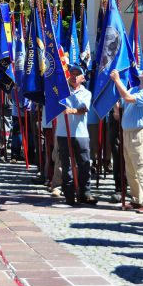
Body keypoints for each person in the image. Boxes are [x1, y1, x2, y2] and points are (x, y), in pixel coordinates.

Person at [111, 65, 143, 213]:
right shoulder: (136, 89)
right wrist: (116, 106)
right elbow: (123, 100)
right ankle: (136, 199)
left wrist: (117, 80)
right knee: (130, 169)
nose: (142, 72)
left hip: (139, 133)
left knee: (141, 167)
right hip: (127, 132)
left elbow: (128, 98)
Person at [55, 65, 96, 206]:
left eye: (77, 74)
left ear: (83, 78)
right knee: (66, 166)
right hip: (63, 132)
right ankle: (69, 194)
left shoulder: (86, 93)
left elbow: (83, 108)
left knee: (84, 164)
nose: (73, 76)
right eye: (72, 73)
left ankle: (85, 193)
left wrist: (72, 109)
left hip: (80, 134)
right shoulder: (60, 91)